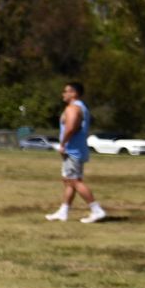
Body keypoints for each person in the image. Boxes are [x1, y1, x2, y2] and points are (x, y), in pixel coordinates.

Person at [47, 81, 107, 224]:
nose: (63, 94)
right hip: (76, 149)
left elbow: (71, 127)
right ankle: (63, 211)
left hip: (73, 150)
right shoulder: (81, 107)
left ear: (73, 93)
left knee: (75, 181)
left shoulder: (73, 108)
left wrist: (63, 144)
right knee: (68, 181)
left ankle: (96, 210)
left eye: (65, 91)